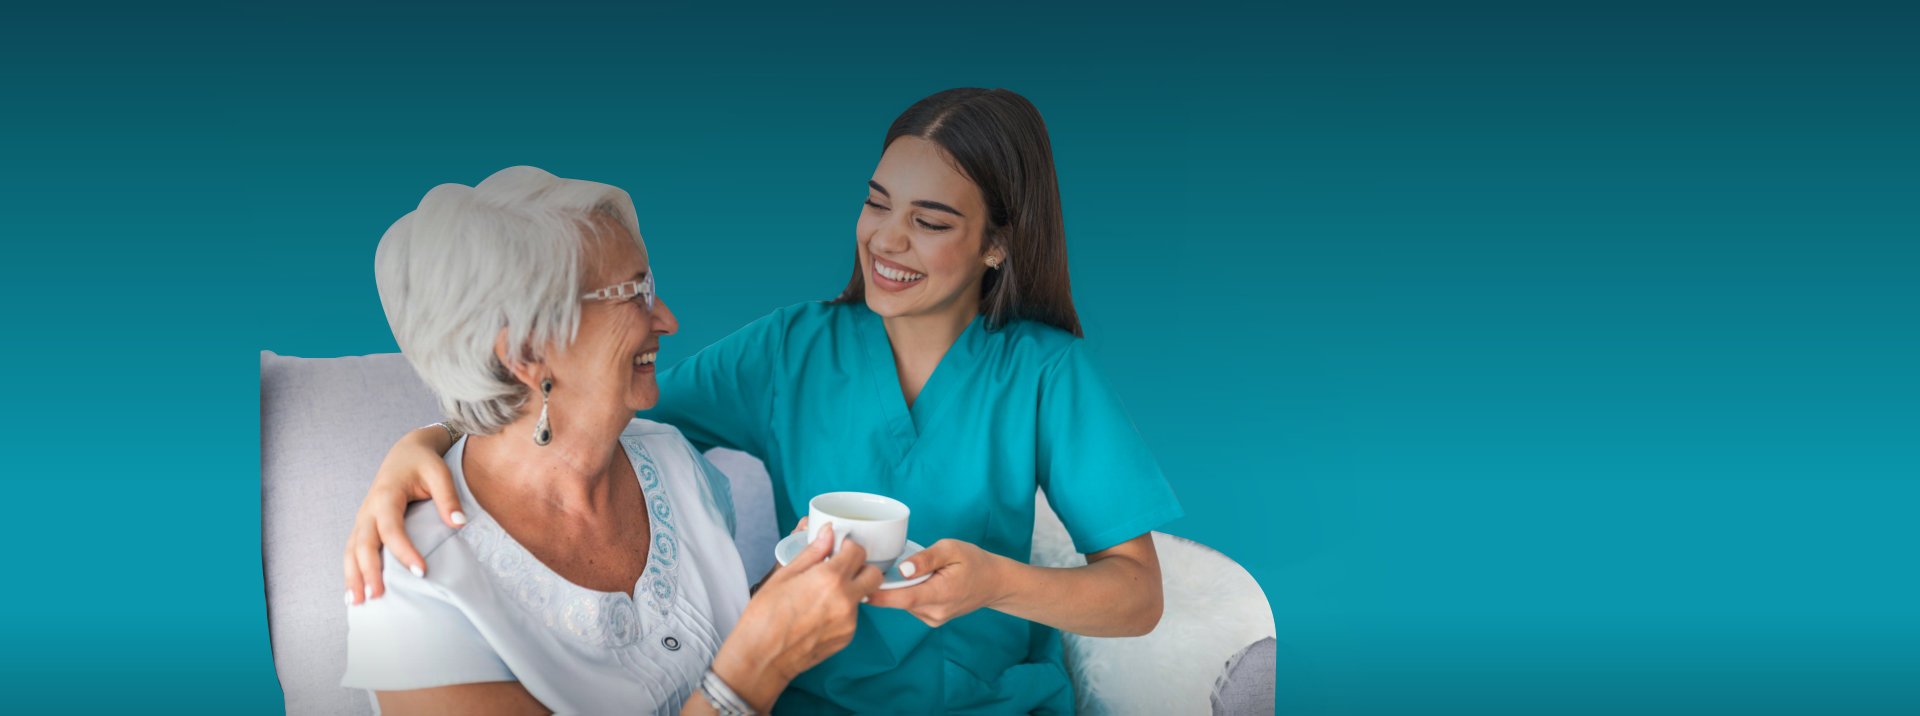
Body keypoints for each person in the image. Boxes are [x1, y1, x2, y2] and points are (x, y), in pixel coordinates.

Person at [346, 89, 1182, 714]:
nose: (887, 241)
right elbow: (590, 406)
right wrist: (427, 441)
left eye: (930, 221)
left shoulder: (1047, 375)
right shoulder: (791, 351)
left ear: (999, 244)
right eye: (876, 203)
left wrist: (996, 582)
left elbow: (1137, 594)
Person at [340, 166, 881, 714]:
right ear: (526, 352)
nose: (667, 319)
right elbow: (742, 670)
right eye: (636, 294)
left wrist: (793, 596)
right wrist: (758, 669)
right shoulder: (412, 588)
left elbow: (718, 649)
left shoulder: (672, 460)